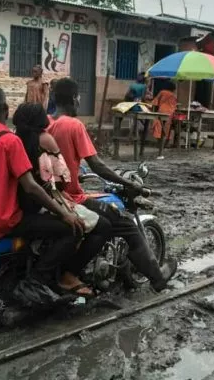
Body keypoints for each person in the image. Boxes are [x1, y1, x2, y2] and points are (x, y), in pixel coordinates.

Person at [48, 78, 177, 291]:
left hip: (51, 197)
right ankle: (158, 278)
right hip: (70, 198)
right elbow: (97, 165)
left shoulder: (46, 123)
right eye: (78, 96)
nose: (79, 100)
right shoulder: (73, 125)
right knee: (125, 223)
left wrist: (76, 174)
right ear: (74, 98)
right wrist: (128, 183)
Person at [0, 85, 90, 296]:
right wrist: (64, 214)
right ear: (5, 109)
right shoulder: (10, 141)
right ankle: (37, 278)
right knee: (71, 230)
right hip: (8, 221)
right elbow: (31, 186)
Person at [13, 102, 113, 296]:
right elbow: (62, 179)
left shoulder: (15, 140)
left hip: (21, 205)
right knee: (102, 226)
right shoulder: (45, 140)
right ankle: (68, 275)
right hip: (45, 202)